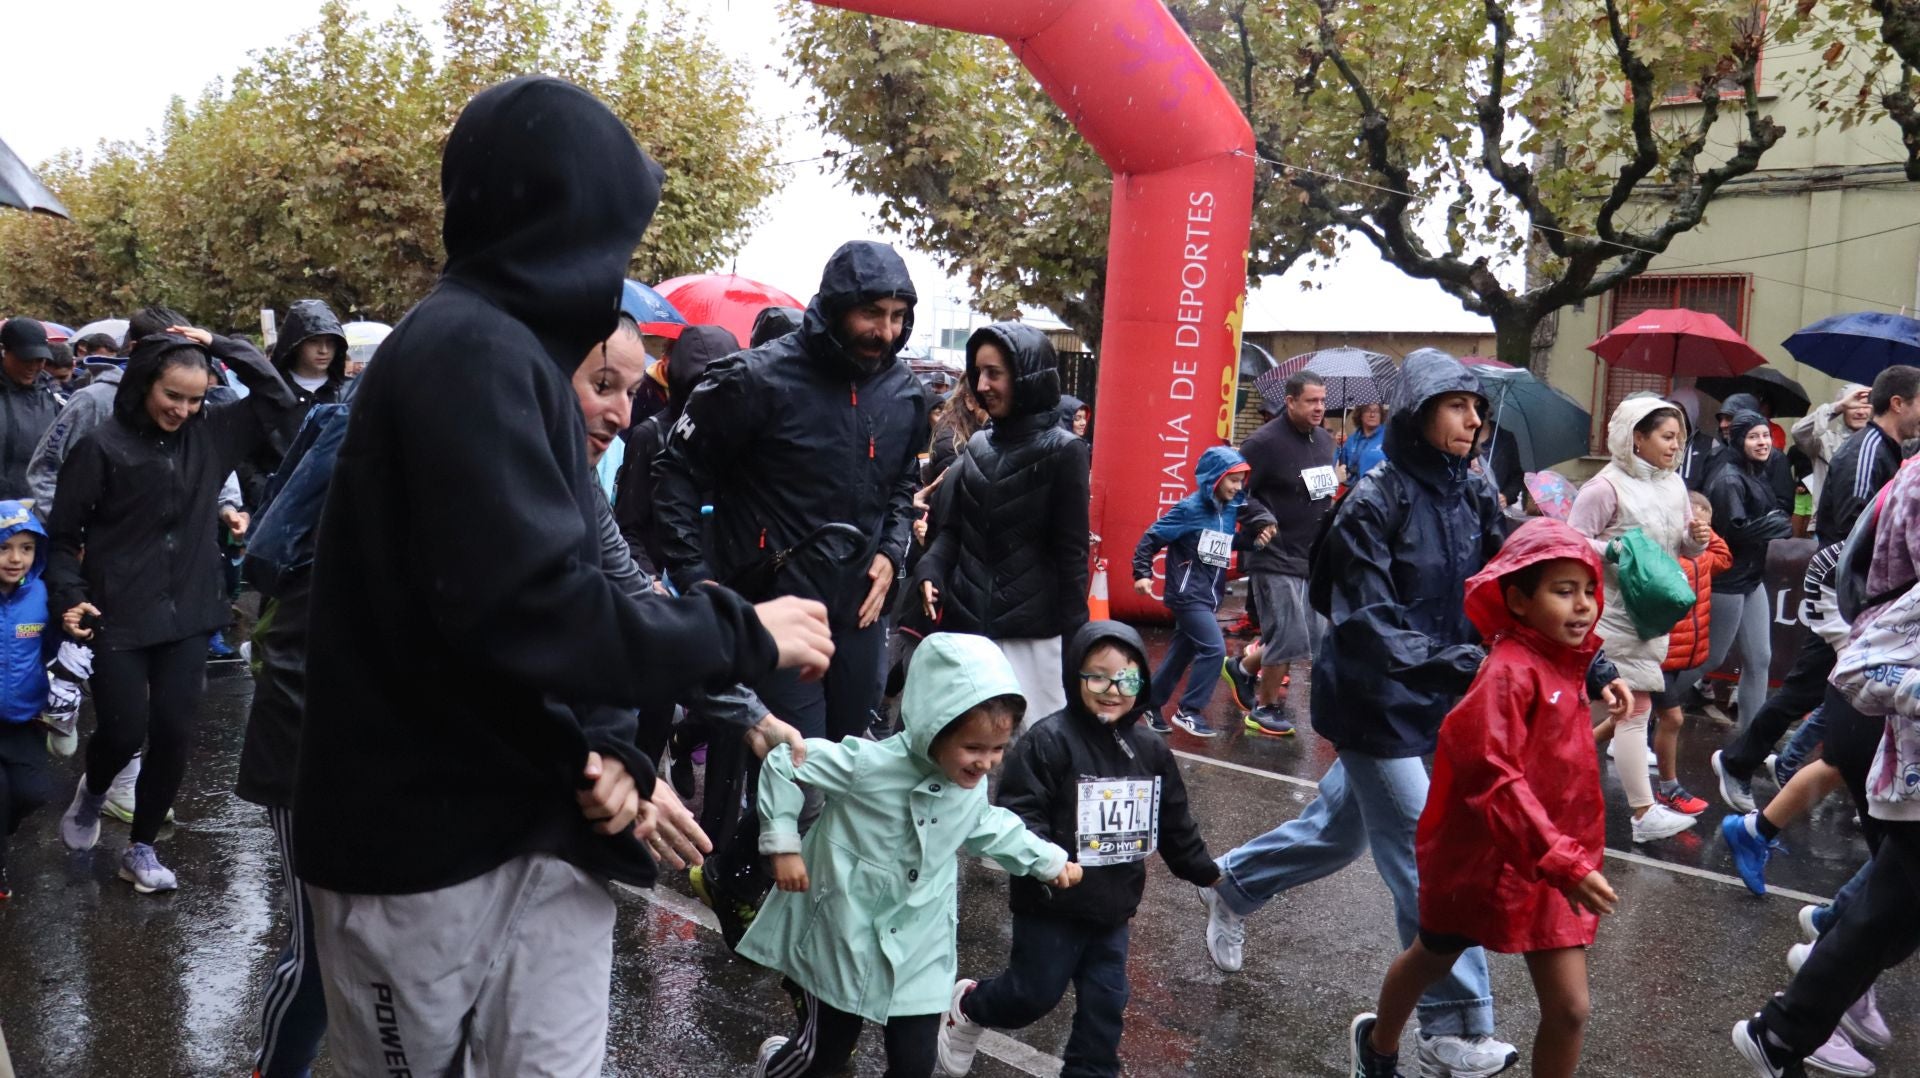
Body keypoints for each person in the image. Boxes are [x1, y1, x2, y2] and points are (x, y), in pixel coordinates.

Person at [288, 77, 833, 1077]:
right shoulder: (467, 349)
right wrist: (741, 633)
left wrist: (612, 749)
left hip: (543, 822)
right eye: (612, 225)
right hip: (421, 845)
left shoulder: (516, 359)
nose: (616, 259)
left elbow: (583, 587)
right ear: (556, 208)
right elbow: (529, 610)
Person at [1199, 350, 1628, 1078]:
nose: (1473, 419)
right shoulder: (1373, 500)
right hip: (1375, 706)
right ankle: (1451, 1028)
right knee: (1424, 862)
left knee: (1335, 836)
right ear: (1421, 410)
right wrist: (1471, 666)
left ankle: (1234, 883)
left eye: (1476, 408)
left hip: (1449, 703)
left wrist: (1595, 662)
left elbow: (1526, 582)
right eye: (1457, 405)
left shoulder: (1475, 490)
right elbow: (1366, 622)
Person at [738, 632, 1081, 1078]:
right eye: (973, 748)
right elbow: (786, 760)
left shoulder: (967, 790)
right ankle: (776, 1067)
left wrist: (1047, 861)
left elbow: (991, 827)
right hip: (846, 931)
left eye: (997, 749)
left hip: (922, 945)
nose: (987, 763)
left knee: (915, 1064)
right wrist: (783, 843)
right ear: (931, 727)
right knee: (824, 1053)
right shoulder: (867, 765)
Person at [1350, 519, 1617, 1078]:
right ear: (1517, 601)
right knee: (1434, 954)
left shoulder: (1565, 668)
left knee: (1571, 1009)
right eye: (1563, 592)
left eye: (1589, 590)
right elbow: (1493, 776)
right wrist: (1564, 861)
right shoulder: (1504, 673)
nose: (1583, 606)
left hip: (1546, 864)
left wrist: (1601, 722)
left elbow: (1549, 764)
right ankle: (1377, 1044)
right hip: (1484, 861)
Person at [50, 325, 294, 893]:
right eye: (172, 396)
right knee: (122, 728)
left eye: (195, 398)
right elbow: (62, 537)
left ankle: (141, 848)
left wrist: (219, 344)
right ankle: (93, 790)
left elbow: (278, 398)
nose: (183, 410)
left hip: (190, 607)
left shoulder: (213, 436)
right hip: (118, 611)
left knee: (174, 729)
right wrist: (69, 596)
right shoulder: (101, 446)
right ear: (143, 387)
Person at [936, 621, 1218, 1078]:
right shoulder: (1048, 741)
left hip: (1113, 906)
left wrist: (1205, 871)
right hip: (1050, 903)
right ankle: (970, 1004)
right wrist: (1047, 862)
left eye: (1127, 679)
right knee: (1031, 995)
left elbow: (1174, 819)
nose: (1113, 689)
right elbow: (1020, 813)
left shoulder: (1149, 748)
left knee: (1106, 1007)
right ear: (1075, 676)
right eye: (1098, 676)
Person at [1731, 458, 1920, 1078]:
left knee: (1895, 894)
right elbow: (1863, 656)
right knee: (1894, 893)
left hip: (1875, 711)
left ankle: (1798, 1008)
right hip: (1885, 721)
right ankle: (1799, 1011)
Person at [914, 322, 1089, 722]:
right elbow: (954, 533)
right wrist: (931, 568)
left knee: (1035, 763)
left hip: (1034, 641)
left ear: (1027, 376)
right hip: (967, 632)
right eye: (978, 372)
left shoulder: (1065, 451)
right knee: (961, 761)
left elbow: (1072, 557)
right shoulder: (977, 445)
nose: (982, 384)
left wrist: (1077, 649)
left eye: (995, 372)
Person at [1567, 396, 1710, 842]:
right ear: (1637, 438)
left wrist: (1696, 538)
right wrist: (1610, 550)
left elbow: (1683, 548)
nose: (1675, 447)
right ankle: (1644, 812)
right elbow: (1569, 542)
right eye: (1667, 437)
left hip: (1651, 617)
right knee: (1634, 706)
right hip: (1608, 613)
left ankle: (1543, 783)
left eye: (1680, 439)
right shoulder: (1603, 488)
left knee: (1591, 715)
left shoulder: (1674, 487)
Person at [1129, 446, 1275, 737]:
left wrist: (1253, 542)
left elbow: (1222, 544)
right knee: (1214, 649)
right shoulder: (1190, 508)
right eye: (1233, 480)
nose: (1238, 487)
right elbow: (1151, 537)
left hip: (1209, 595)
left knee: (1182, 653)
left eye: (1241, 480)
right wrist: (1142, 573)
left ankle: (1150, 703)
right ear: (1215, 478)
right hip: (1187, 594)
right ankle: (1189, 710)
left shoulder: (1229, 509)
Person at [1225, 369, 1336, 736]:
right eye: (1311, 401)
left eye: (1322, 400)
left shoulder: (1324, 440)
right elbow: (1234, 490)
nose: (1319, 407)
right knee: (1287, 632)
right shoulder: (1262, 443)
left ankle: (1242, 668)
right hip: (1272, 551)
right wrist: (1260, 517)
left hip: (1310, 553)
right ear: (1289, 401)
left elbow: (1322, 492)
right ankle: (1266, 708)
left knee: (1309, 636)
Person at [1684, 409, 1793, 734]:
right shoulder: (1730, 477)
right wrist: (1773, 524)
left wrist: (1774, 522)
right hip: (1727, 581)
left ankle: (1750, 740)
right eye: (1753, 436)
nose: (1762, 442)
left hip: (1751, 578)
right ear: (1739, 440)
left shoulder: (1757, 472)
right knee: (1712, 659)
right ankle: (1650, 700)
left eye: (1765, 436)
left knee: (1760, 659)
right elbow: (1731, 531)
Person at [614, 323, 741, 573]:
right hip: (665, 592)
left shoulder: (741, 436)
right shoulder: (650, 436)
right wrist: (651, 583)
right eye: (699, 385)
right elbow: (627, 528)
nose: (710, 397)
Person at [1647, 491, 1729, 816]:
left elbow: (1725, 557)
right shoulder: (1667, 555)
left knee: (1626, 717)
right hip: (1660, 650)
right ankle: (1668, 791)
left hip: (1681, 653)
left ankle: (1570, 757)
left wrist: (1705, 532)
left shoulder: (1704, 556)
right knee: (1672, 717)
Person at [238, 299, 350, 512]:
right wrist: (268, 495)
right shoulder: (269, 395)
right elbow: (245, 456)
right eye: (314, 341)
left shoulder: (348, 394)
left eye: (330, 342)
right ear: (296, 344)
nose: (324, 350)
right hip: (276, 511)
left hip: (336, 512)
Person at [0, 502, 53, 899]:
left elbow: (58, 648)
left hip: (23, 719)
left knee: (32, 793)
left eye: (27, 548)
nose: (16, 558)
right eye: (4, 547)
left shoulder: (41, 595)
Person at [1814, 364, 1920, 549]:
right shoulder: (1866, 452)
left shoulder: (1889, 448)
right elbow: (1853, 531)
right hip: (1851, 575)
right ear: (1897, 404)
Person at [0, 318, 63, 502]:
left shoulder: (52, 397)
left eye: (40, 360)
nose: (33, 366)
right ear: (5, 352)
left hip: (39, 510)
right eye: (25, 359)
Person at [1791, 382, 1870, 519]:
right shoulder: (1825, 441)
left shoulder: (1880, 444)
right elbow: (1799, 432)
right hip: (1827, 526)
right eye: (1853, 406)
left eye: (1865, 405)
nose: (1860, 411)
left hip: (1867, 524)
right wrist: (1836, 407)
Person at [1337, 402, 1388, 482]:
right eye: (1368, 410)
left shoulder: (1388, 438)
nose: (1372, 415)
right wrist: (1339, 446)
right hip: (1352, 491)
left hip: (1378, 490)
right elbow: (1339, 466)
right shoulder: (1351, 440)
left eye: (1376, 411)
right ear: (1360, 415)